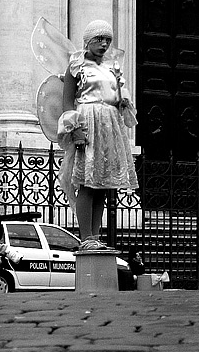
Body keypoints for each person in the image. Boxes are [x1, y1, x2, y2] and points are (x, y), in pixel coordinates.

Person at [58, 20, 139, 252]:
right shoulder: (77, 65)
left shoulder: (113, 67)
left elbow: (116, 94)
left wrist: (123, 101)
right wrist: (76, 130)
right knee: (86, 182)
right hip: (88, 121)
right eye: (99, 39)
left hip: (109, 125)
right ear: (88, 40)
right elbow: (67, 101)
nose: (104, 44)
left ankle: (95, 234)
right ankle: (86, 236)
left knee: (102, 184)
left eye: (108, 40)